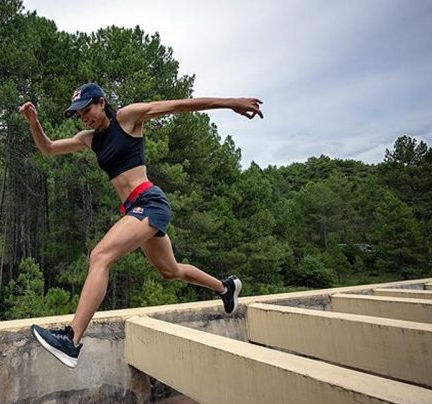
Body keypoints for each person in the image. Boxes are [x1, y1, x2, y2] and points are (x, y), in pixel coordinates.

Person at [18, 83, 263, 368]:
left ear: (101, 102)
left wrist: (231, 101)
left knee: (99, 256)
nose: (84, 118)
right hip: (134, 208)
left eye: (87, 110)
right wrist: (34, 122)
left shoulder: (128, 118)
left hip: (149, 201)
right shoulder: (89, 139)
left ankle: (71, 341)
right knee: (171, 271)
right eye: (79, 114)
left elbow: (179, 105)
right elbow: (48, 149)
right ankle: (225, 288)